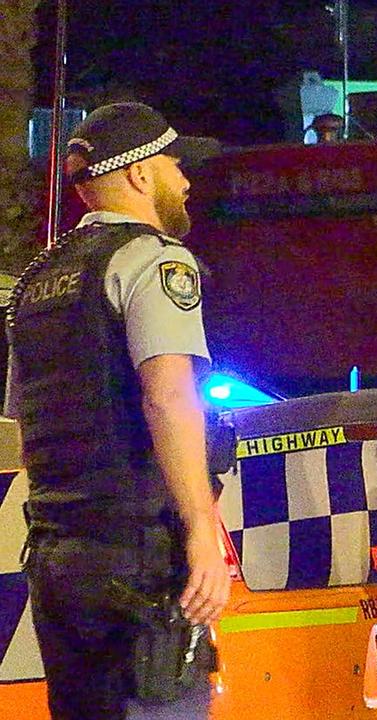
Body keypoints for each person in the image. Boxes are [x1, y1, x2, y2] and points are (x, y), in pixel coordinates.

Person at [5, 102, 229, 719]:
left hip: (56, 556)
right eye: (174, 163)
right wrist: (202, 530)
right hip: (139, 555)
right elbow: (168, 395)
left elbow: (28, 418)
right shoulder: (155, 260)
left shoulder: (37, 280)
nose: (185, 179)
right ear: (137, 176)